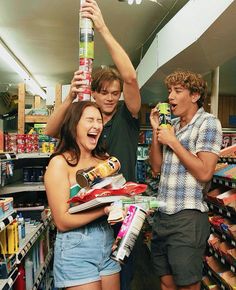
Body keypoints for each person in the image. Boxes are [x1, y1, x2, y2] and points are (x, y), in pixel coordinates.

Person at [45, 1, 141, 289]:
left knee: (124, 281)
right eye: (104, 93)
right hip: (85, 230)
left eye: (115, 93)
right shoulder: (81, 127)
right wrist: (71, 96)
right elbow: (52, 131)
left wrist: (102, 27)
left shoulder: (126, 117)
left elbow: (131, 78)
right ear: (92, 95)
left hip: (121, 220)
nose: (111, 98)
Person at [149, 70, 222, 290]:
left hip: (188, 218)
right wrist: (156, 133)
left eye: (178, 91)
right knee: (166, 281)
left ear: (195, 95)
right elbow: (156, 167)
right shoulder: (171, 126)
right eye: (169, 91)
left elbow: (204, 173)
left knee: (188, 284)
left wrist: (173, 142)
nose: (170, 96)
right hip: (163, 217)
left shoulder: (208, 123)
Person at [44, 101, 121, 290]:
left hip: (107, 242)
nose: (96, 125)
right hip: (75, 248)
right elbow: (61, 221)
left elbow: (116, 200)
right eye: (89, 120)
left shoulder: (104, 162)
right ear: (74, 125)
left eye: (99, 120)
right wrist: (103, 210)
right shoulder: (60, 164)